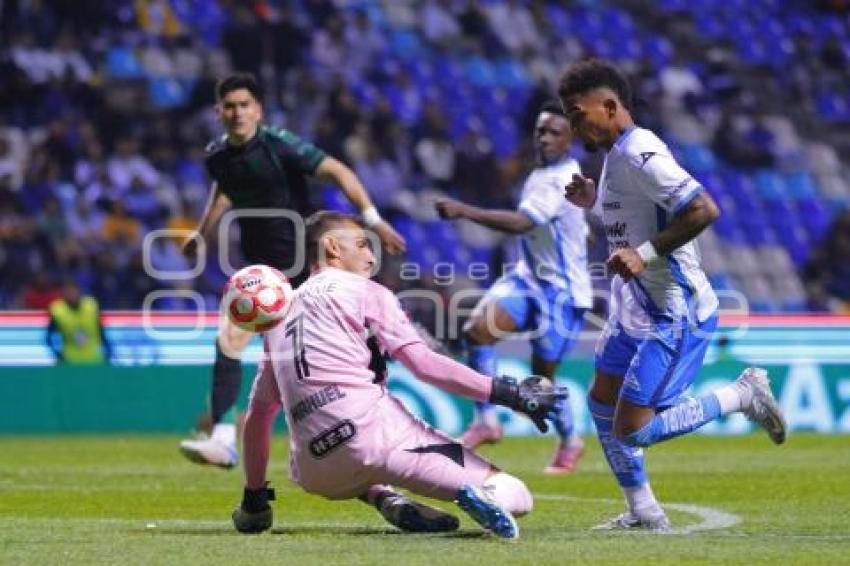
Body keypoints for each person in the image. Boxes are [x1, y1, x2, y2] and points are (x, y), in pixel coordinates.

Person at [232, 211, 564, 539]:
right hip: (377, 437)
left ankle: (383, 496)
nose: (371, 255)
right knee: (514, 491)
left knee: (352, 467)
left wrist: (255, 499)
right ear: (332, 246)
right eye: (362, 244)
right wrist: (510, 394)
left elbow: (259, 416)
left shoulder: (278, 320)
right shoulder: (365, 291)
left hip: (315, 469)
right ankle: (487, 496)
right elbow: (423, 365)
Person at [558, 59, 786, 531]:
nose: (574, 126)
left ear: (609, 105)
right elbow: (638, 214)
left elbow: (704, 209)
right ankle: (643, 510)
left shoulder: (640, 151)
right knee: (601, 398)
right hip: (635, 307)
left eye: (578, 114)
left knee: (633, 429)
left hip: (674, 310)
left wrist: (644, 253)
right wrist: (593, 204)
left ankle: (741, 395)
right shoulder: (616, 157)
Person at [179, 73, 406, 469]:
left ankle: (381, 417)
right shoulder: (216, 155)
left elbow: (339, 171)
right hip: (262, 274)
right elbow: (223, 188)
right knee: (228, 340)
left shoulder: (279, 146)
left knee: (345, 345)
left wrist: (373, 219)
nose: (237, 113)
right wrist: (202, 231)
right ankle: (222, 438)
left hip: (306, 265)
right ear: (219, 112)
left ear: (258, 110)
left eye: (244, 105)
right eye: (229, 106)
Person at [434, 101, 592, 474]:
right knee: (478, 331)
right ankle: (487, 421)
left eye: (555, 132)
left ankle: (570, 439)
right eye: (541, 130)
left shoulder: (564, 179)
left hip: (562, 293)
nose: (546, 138)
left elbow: (522, 223)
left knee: (541, 380)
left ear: (571, 139)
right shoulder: (539, 174)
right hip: (527, 278)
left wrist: (464, 210)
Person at [46, 279, 112, 365]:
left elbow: (101, 331)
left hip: (95, 358)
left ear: (79, 291)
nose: (71, 294)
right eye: (67, 291)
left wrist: (108, 353)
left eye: (73, 290)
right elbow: (49, 337)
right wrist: (58, 354)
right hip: (69, 360)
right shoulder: (57, 310)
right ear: (63, 293)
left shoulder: (91, 306)